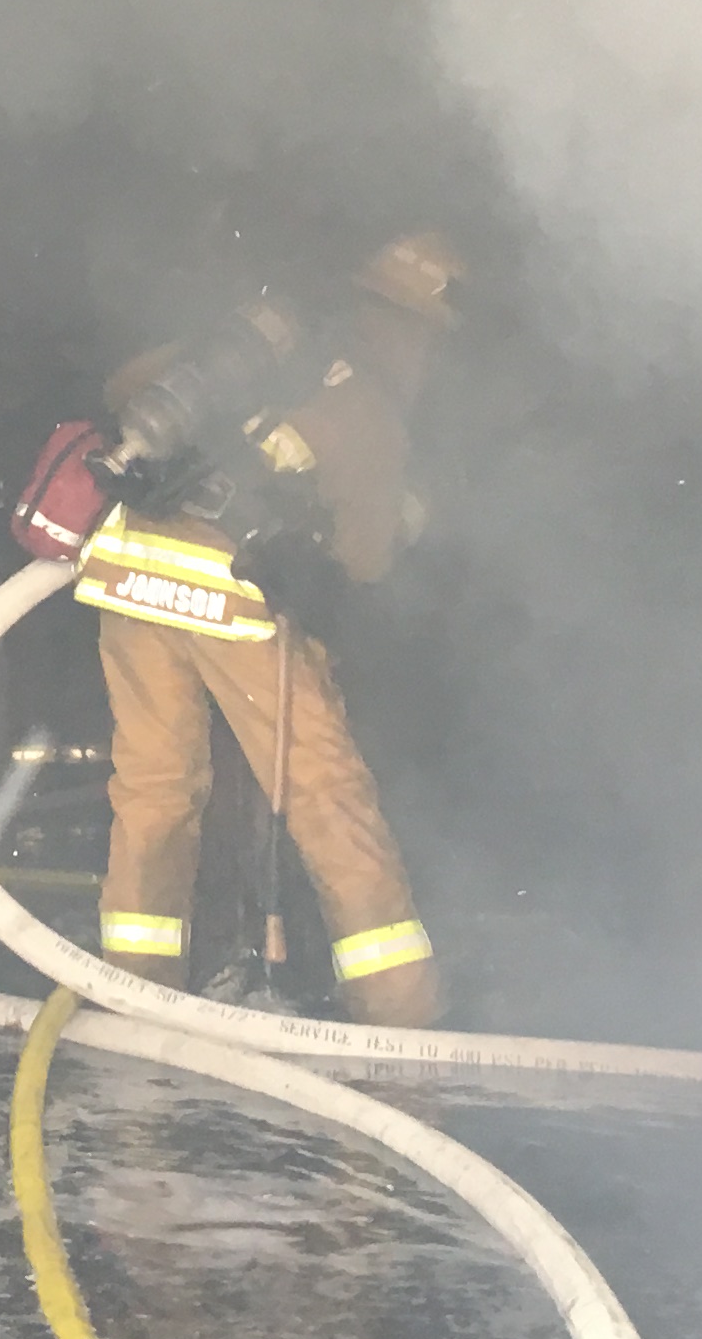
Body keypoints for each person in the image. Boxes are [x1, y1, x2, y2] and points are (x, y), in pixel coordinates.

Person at [71, 229, 460, 1025]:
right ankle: (401, 1012)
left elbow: (127, 390)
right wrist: (390, 524)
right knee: (327, 796)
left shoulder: (254, 353)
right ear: (413, 331)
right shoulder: (365, 407)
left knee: (152, 794)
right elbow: (364, 562)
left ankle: (134, 995)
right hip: (235, 600)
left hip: (130, 573)